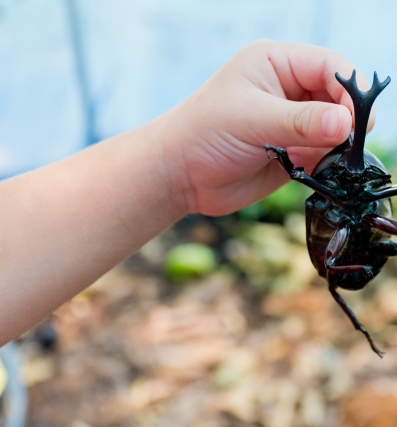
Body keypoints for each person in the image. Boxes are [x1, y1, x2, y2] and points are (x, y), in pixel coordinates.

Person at [0, 40, 377, 346]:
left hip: (362, 243)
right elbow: (301, 176)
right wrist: (176, 170)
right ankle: (364, 324)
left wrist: (178, 168)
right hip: (337, 243)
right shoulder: (319, 190)